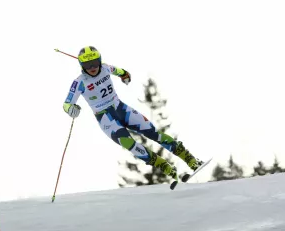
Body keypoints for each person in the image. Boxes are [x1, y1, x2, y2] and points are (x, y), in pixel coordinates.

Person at [62, 46, 203, 184]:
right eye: (87, 64)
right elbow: (67, 104)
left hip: (121, 109)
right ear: (81, 65)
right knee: (131, 144)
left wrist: (126, 76)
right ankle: (166, 168)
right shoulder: (79, 82)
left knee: (154, 133)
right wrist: (71, 109)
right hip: (106, 119)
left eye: (94, 63)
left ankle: (191, 160)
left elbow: (121, 72)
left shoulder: (105, 68)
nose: (92, 67)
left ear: (99, 60)